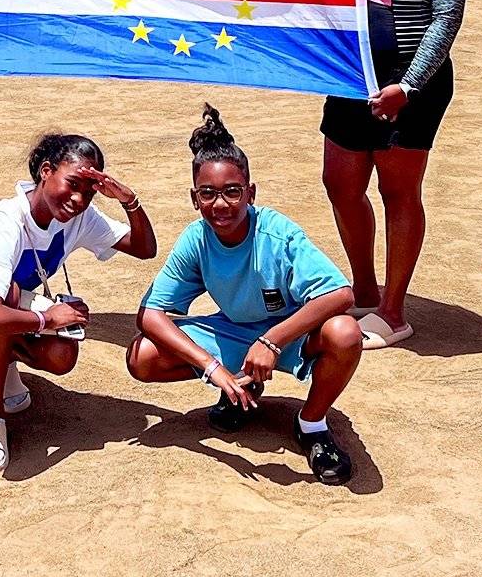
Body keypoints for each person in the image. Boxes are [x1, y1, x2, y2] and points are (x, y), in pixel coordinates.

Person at [128, 105, 364, 485]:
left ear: (250, 193)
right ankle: (241, 385)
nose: (220, 204)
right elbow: (151, 314)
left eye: (232, 192)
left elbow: (340, 294)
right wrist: (212, 368)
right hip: (236, 333)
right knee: (143, 356)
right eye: (208, 193)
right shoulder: (197, 239)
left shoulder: (276, 233)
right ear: (194, 198)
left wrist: (271, 342)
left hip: (290, 335)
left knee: (345, 333)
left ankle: (312, 424)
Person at [0, 134, 157, 471]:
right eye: (72, 183)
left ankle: (2, 366)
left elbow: (144, 248)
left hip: (5, 306)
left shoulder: (79, 218)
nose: (79, 199)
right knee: (7, 296)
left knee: (62, 354)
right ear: (46, 171)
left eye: (89, 192)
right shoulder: (6, 223)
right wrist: (49, 319)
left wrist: (129, 200)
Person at [319, 0, 470, 350]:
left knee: (396, 189)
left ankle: (393, 309)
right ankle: (362, 288)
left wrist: (409, 84)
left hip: (412, 80)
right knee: (340, 182)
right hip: (352, 69)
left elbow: (445, 19)